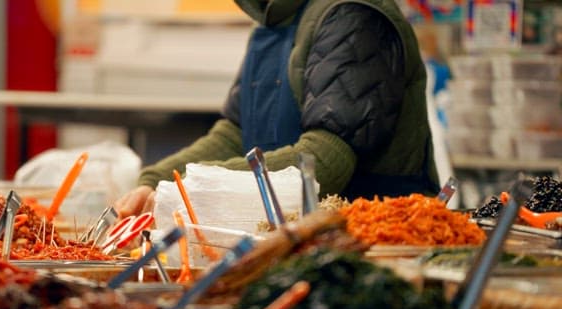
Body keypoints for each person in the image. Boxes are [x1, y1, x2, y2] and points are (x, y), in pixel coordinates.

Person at [115, 0, 440, 218]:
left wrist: (191, 192)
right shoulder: (276, 19)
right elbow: (236, 133)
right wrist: (157, 181)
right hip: (300, 240)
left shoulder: (353, 15)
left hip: (378, 246)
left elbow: (324, 162)